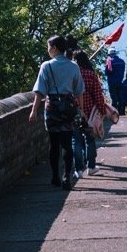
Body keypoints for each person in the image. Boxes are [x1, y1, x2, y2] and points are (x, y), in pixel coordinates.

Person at [29, 34, 84, 187]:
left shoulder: (46, 66)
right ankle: (67, 176)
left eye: (48, 47)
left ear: (54, 48)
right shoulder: (73, 66)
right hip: (68, 107)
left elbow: (40, 91)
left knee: (54, 144)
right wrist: (81, 109)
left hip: (52, 107)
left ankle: (55, 177)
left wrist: (33, 111)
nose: (48, 50)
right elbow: (79, 90)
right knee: (67, 143)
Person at [73, 49, 114, 175]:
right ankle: (91, 166)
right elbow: (97, 95)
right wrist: (102, 110)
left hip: (74, 111)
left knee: (76, 140)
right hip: (89, 113)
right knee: (90, 140)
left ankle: (78, 169)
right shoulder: (91, 74)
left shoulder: (71, 74)